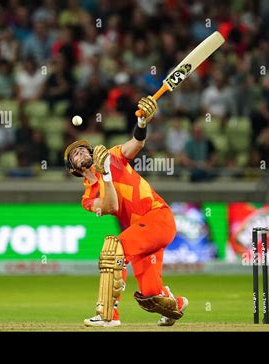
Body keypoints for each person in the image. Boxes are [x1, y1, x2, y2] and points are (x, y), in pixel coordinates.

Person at [64, 96, 188, 327]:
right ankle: (176, 304)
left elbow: (137, 143)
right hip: (142, 232)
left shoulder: (113, 156)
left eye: (83, 149)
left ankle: (108, 315)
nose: (81, 152)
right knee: (151, 295)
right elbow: (111, 206)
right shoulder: (88, 197)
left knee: (114, 251)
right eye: (75, 155)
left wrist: (142, 123)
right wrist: (107, 176)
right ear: (73, 169)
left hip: (158, 217)